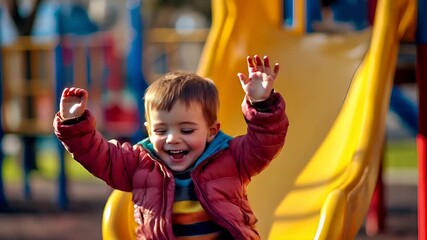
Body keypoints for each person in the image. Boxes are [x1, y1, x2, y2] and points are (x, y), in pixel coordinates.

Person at [53, 55, 289, 239]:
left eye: (186, 130)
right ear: (148, 130)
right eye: (161, 131)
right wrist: (74, 124)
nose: (172, 139)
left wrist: (262, 104)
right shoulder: (140, 163)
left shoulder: (231, 157)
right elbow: (100, 157)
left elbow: (264, 143)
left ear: (212, 131)